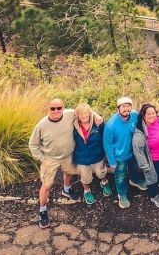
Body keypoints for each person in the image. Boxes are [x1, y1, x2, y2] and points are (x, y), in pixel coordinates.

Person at [28, 98, 77, 228]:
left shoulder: (70, 114)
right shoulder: (41, 125)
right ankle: (43, 210)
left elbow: (86, 112)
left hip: (68, 154)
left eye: (59, 108)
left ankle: (67, 189)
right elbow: (33, 144)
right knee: (47, 185)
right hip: (50, 158)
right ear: (48, 109)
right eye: (53, 108)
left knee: (69, 172)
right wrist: (42, 159)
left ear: (63, 108)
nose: (56, 111)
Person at [103, 96, 146, 209]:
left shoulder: (135, 115)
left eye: (128, 106)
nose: (126, 109)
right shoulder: (111, 124)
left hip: (133, 152)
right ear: (118, 108)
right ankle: (122, 194)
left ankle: (135, 180)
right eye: (123, 106)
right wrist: (112, 161)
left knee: (134, 168)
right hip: (120, 156)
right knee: (120, 176)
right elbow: (107, 144)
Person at [132, 103, 159, 209]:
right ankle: (154, 196)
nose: (152, 116)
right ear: (143, 115)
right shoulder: (140, 133)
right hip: (153, 160)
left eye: (153, 113)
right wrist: (145, 167)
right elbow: (139, 152)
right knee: (151, 178)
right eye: (148, 114)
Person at [71, 103, 112, 205]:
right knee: (85, 176)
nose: (84, 116)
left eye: (86, 113)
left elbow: (106, 131)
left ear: (90, 113)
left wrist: (98, 117)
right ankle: (87, 191)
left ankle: (104, 182)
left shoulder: (97, 124)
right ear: (77, 116)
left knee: (101, 172)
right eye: (81, 114)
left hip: (97, 154)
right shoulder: (74, 125)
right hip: (82, 156)